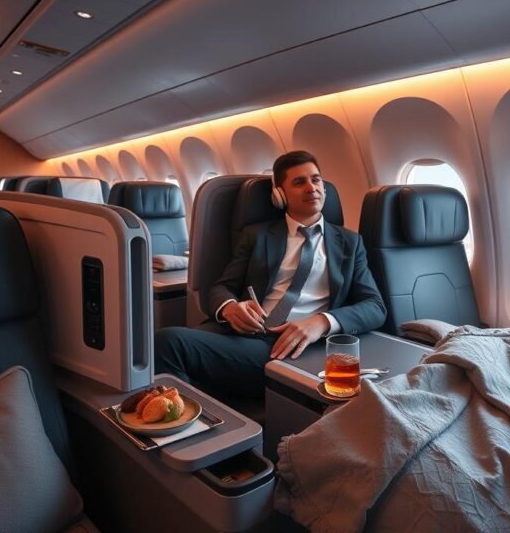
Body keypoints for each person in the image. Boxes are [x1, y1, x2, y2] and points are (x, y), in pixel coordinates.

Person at [154, 151, 386, 398]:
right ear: (279, 195)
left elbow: (374, 306)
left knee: (170, 343)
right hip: (250, 335)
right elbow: (221, 287)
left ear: (325, 189)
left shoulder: (349, 242)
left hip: (297, 345)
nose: (311, 188)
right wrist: (230, 307)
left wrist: (321, 322)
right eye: (299, 182)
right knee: (164, 342)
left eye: (316, 180)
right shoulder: (258, 235)